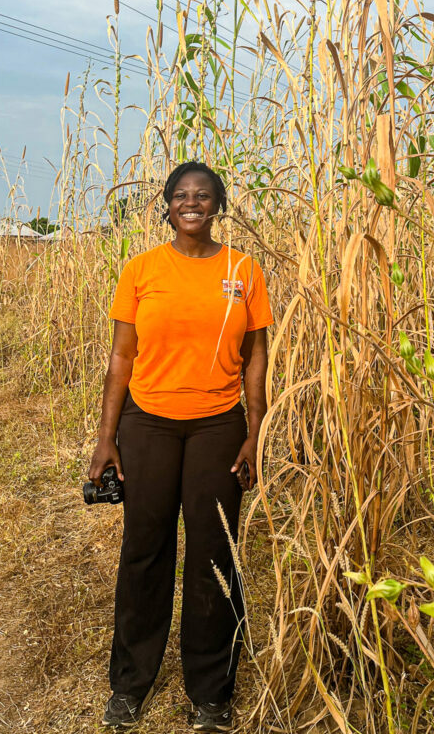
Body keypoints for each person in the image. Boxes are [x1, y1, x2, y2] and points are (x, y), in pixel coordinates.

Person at [88, 161, 272, 731]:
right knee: (145, 551)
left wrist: (254, 432)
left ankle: (211, 692)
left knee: (216, 556)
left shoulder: (244, 269)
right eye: (180, 196)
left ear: (218, 205)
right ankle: (130, 683)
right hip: (148, 425)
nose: (191, 203)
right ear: (166, 205)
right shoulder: (141, 269)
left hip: (219, 425)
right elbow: (122, 358)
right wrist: (105, 440)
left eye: (203, 196)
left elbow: (256, 357)